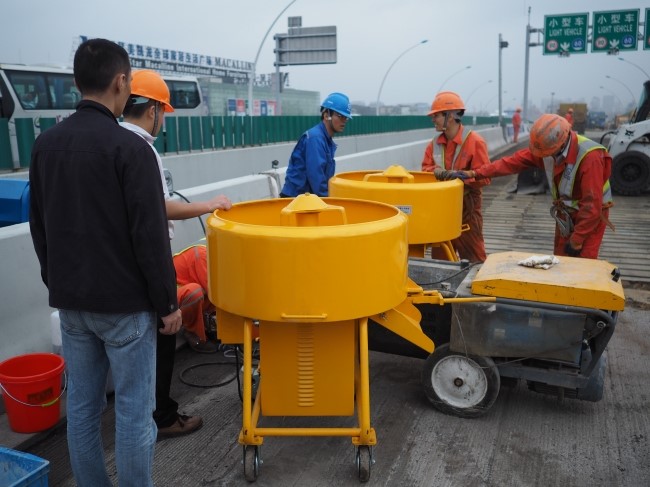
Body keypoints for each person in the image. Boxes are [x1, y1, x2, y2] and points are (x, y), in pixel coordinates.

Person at [29, 38, 182, 487]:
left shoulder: (45, 145)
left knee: (81, 409)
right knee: (134, 413)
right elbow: (149, 237)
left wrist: (57, 282)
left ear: (78, 82)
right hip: (125, 306)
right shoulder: (131, 150)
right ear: (120, 82)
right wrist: (167, 303)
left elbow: (39, 225)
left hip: (72, 303)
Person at [120, 69, 231, 439]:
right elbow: (159, 209)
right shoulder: (143, 149)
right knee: (162, 342)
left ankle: (140, 417)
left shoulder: (111, 140)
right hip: (146, 263)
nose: (163, 120)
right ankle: (163, 417)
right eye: (163, 112)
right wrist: (208, 205)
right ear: (152, 109)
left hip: (112, 269)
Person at [459, 113, 614, 259]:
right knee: (560, 260)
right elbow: (511, 163)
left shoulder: (590, 157)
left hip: (591, 218)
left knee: (583, 264)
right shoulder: (548, 149)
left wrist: (577, 238)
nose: (544, 157)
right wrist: (475, 173)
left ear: (560, 144)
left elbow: (592, 204)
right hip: (566, 214)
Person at [421, 91, 491, 263]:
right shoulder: (434, 145)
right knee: (441, 261)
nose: (433, 120)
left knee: (474, 260)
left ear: (450, 116)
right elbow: (424, 172)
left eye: (436, 116)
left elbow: (485, 177)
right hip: (442, 209)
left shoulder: (475, 142)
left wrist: (460, 177)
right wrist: (437, 172)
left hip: (467, 210)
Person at [280, 92, 351, 197]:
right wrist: (329, 201)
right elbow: (317, 179)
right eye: (340, 116)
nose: (344, 121)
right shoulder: (316, 139)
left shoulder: (325, 140)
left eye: (346, 117)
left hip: (306, 198)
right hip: (296, 200)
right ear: (326, 115)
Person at [174, 243, 214, 347]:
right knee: (195, 292)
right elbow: (213, 292)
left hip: (180, 298)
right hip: (169, 301)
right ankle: (193, 332)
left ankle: (209, 326)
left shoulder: (209, 254)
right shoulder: (203, 255)